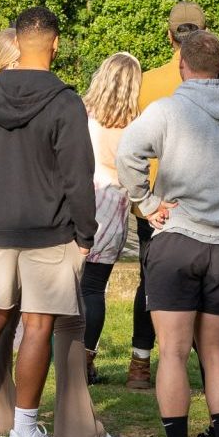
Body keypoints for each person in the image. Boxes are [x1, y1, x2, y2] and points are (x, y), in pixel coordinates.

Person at [112, 29, 219, 437]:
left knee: (171, 352)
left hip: (176, 239)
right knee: (214, 352)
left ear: (181, 66)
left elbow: (128, 151)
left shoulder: (167, 110)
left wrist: (146, 202)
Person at [0, 7, 97, 437]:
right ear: (55, 44)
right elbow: (77, 176)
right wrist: (85, 234)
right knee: (37, 326)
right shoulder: (65, 101)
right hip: (49, 231)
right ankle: (25, 434)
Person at [125, 1, 219, 392]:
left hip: (159, 203)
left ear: (169, 35)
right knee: (209, 297)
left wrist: (143, 202)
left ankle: (141, 363)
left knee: (151, 282)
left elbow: (131, 143)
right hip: (215, 207)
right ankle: (213, 367)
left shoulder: (146, 82)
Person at [80, 51, 139, 379]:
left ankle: (63, 352)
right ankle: (86, 359)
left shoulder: (83, 115)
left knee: (71, 286)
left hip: (83, 202)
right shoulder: (136, 123)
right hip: (114, 210)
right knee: (94, 288)